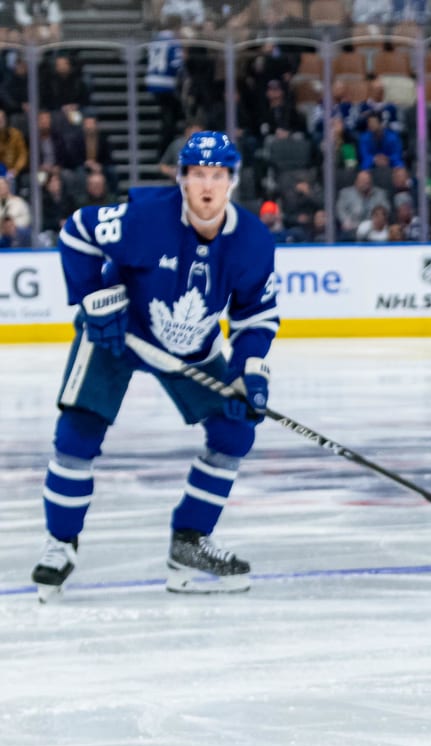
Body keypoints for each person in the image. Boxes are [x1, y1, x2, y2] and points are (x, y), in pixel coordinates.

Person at [31, 131, 280, 601]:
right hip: (118, 334)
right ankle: (60, 544)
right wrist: (94, 299)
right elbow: (77, 232)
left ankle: (189, 542)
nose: (207, 186)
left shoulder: (253, 242)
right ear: (182, 180)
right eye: (198, 175)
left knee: (233, 431)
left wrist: (249, 369)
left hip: (193, 346)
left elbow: (256, 318)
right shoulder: (145, 217)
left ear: (232, 182)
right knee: (77, 432)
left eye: (218, 176)